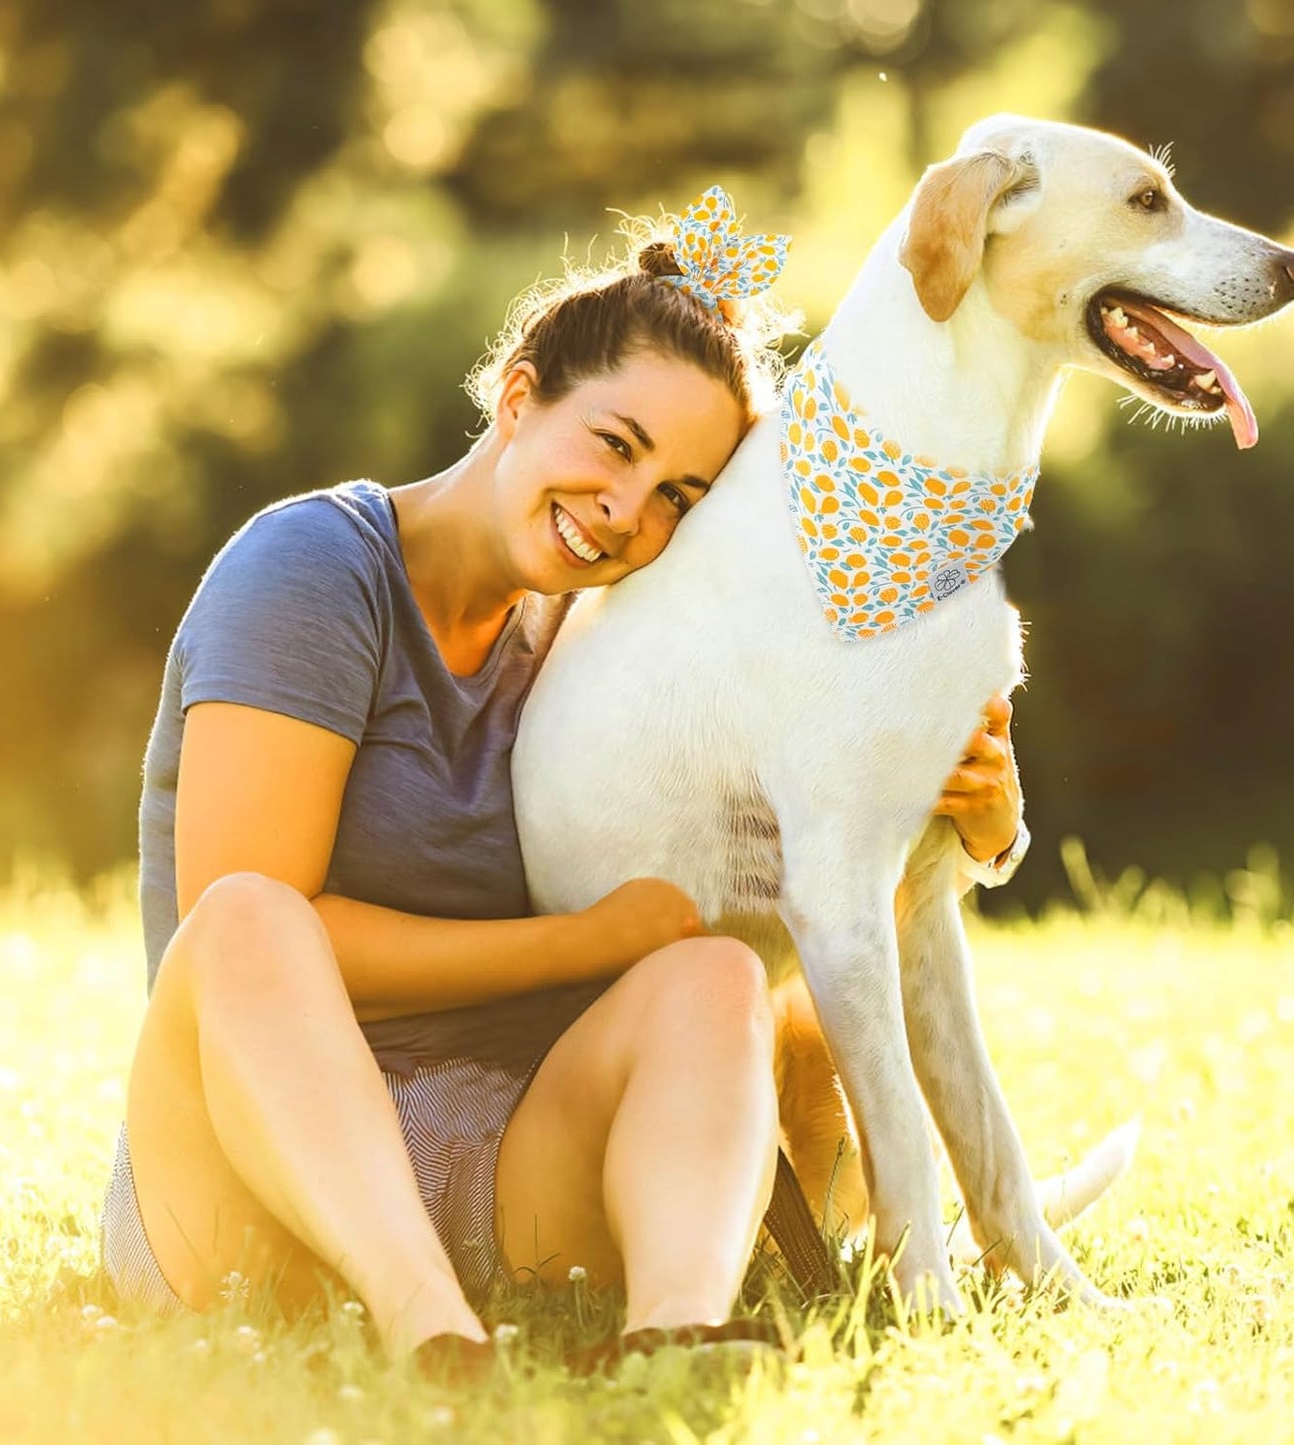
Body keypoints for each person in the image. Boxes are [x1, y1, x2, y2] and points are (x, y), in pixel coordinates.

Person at [98, 196, 1027, 1368]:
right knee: (246, 913)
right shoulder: (311, 570)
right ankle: (430, 1330)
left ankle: (678, 1324)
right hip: (248, 1172)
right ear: (518, 396)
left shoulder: (599, 638)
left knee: (714, 973)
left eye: (677, 496)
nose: (626, 512)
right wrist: (585, 942)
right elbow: (240, 940)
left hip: (503, 1159)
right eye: (616, 445)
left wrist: (978, 823)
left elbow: (810, 865)